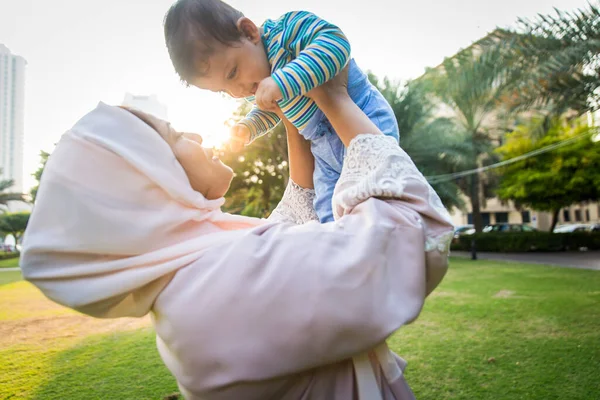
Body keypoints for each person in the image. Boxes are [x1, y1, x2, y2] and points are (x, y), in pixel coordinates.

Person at [20, 70, 453, 399]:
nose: (192, 133)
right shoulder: (219, 284)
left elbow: (292, 226)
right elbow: (405, 234)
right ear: (153, 178)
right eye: (175, 137)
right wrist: (333, 96)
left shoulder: (195, 271)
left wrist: (295, 112)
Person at [163, 0, 400, 222]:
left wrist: (283, 80)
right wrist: (248, 128)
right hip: (324, 153)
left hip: (363, 115)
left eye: (232, 73)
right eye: (224, 90)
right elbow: (270, 111)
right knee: (330, 215)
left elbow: (335, 42)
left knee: (379, 193)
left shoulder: (286, 32)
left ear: (249, 32)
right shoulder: (263, 81)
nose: (237, 91)